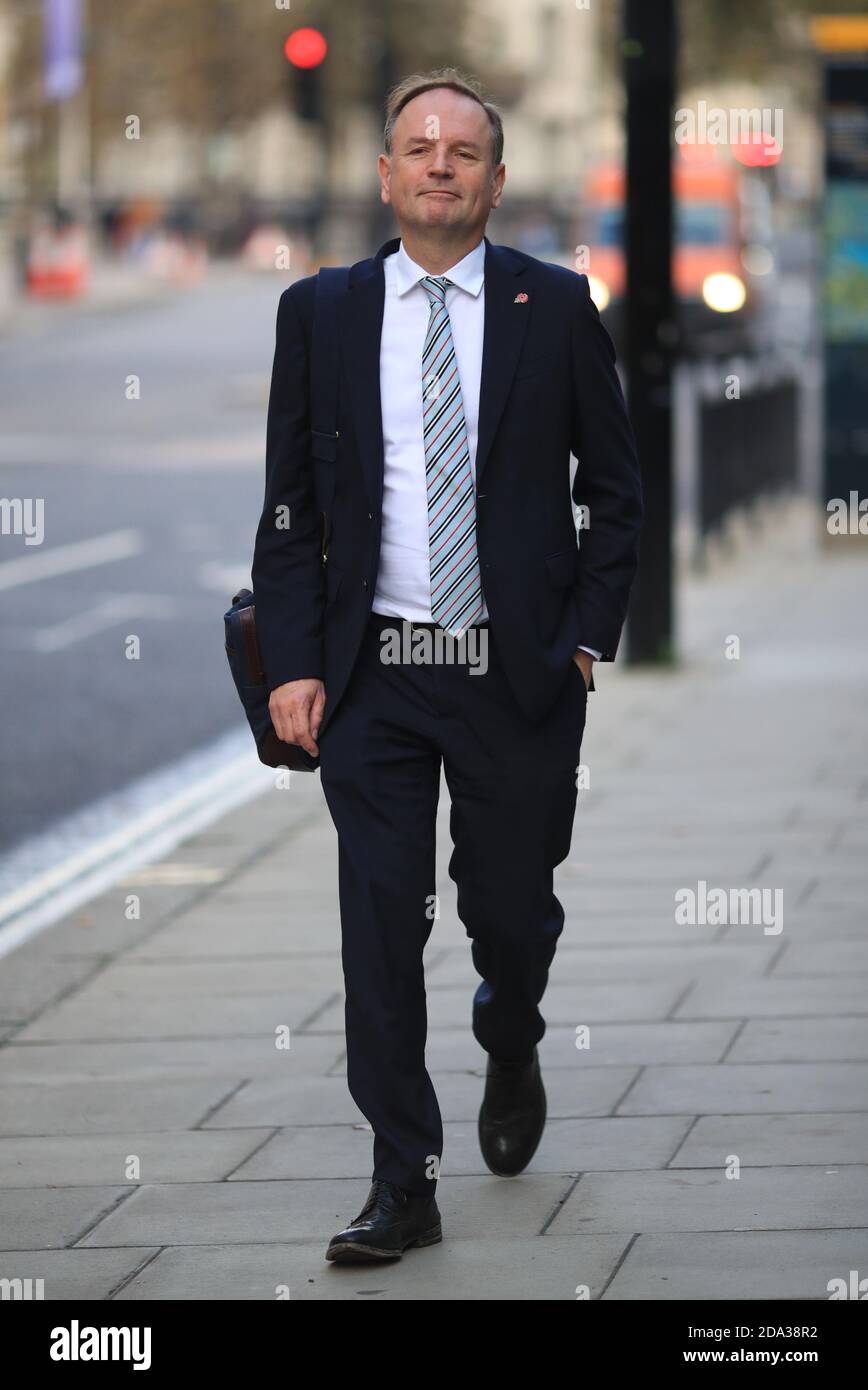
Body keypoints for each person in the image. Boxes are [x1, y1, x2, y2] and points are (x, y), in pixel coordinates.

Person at [251, 67, 643, 1263]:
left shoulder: (556, 306)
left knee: (509, 911)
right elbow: (289, 510)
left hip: (511, 669)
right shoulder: (320, 312)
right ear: (384, 173)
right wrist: (293, 661)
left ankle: (510, 1024)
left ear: (494, 179)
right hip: (374, 672)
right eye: (417, 147)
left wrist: (580, 640)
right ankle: (401, 1183)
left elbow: (615, 497)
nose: (438, 166)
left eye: (461, 151)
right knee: (378, 923)